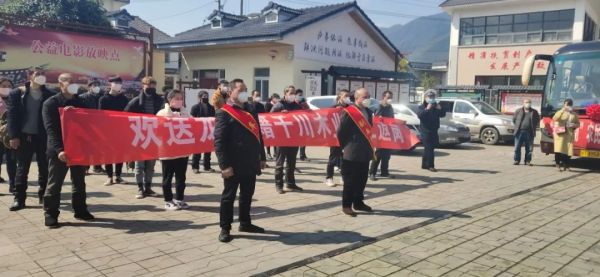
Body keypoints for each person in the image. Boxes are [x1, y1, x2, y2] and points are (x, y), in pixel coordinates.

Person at [214, 78, 267, 242]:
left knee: (247, 194)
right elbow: (219, 142)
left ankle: (245, 222)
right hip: (233, 164)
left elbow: (258, 135)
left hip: (250, 161)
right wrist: (224, 166)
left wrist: (262, 156)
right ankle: (225, 228)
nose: (244, 93)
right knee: (229, 197)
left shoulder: (250, 111)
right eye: (240, 90)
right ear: (230, 93)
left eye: (245, 89)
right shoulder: (224, 112)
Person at [42, 73, 94, 228]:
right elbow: (50, 130)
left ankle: (80, 210)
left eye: (74, 82)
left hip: (78, 149)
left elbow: (90, 123)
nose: (72, 84)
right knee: (55, 183)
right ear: (60, 84)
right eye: (68, 82)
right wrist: (59, 150)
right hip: (59, 151)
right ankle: (50, 214)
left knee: (79, 182)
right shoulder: (50, 103)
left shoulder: (81, 101)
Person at [7, 67, 54, 211]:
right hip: (24, 137)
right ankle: (19, 199)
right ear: (30, 76)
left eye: (43, 74)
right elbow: (12, 117)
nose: (41, 77)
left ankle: (44, 196)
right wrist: (13, 136)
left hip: (43, 137)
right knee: (22, 169)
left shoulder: (49, 94)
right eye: (38, 74)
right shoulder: (18, 93)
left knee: (44, 168)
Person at [124, 76, 164, 199]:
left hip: (153, 136)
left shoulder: (160, 101)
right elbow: (125, 117)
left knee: (151, 165)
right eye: (148, 86)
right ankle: (140, 188)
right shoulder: (135, 101)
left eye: (153, 86)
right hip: (139, 136)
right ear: (143, 86)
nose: (151, 88)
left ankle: (148, 187)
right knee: (139, 165)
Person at [337, 88, 374, 217]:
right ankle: (346, 205)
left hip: (365, 151)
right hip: (351, 152)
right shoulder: (349, 112)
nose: (367, 99)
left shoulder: (369, 111)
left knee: (362, 180)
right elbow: (341, 132)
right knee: (350, 181)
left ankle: (358, 202)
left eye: (369, 96)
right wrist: (341, 149)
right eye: (365, 97)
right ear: (357, 98)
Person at [157, 90, 191, 210]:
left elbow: (193, 126)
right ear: (170, 100)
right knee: (167, 178)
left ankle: (180, 199)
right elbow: (158, 131)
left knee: (181, 177)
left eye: (181, 98)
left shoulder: (186, 113)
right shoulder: (161, 113)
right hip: (168, 152)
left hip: (182, 151)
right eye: (177, 98)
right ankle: (168, 200)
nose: (179, 101)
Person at [271, 85, 303, 194]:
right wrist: (280, 114)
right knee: (280, 163)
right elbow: (269, 118)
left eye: (294, 93)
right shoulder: (279, 105)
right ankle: (278, 184)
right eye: (291, 93)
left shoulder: (297, 106)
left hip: (293, 138)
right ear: (285, 94)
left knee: (291, 163)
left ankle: (290, 183)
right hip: (282, 139)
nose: (293, 95)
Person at [99, 76, 129, 185]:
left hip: (121, 130)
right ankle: (109, 176)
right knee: (108, 154)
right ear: (110, 84)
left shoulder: (124, 99)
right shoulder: (104, 99)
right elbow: (100, 115)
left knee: (120, 154)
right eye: (115, 82)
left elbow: (127, 114)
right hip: (107, 131)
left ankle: (118, 176)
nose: (117, 85)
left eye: (119, 83)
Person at [325, 89, 351, 187]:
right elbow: (327, 121)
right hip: (335, 137)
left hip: (347, 137)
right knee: (333, 158)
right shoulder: (333, 108)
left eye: (348, 96)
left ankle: (343, 177)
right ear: (340, 97)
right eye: (345, 96)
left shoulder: (351, 108)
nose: (347, 98)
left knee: (345, 159)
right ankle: (329, 178)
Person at [80, 79, 105, 174]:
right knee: (86, 148)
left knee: (98, 148)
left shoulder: (101, 97)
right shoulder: (82, 97)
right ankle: (85, 168)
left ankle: (97, 167)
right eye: (94, 85)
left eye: (98, 84)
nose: (96, 87)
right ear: (89, 86)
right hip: (86, 126)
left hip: (99, 126)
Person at [417, 89, 446, 172]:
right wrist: (427, 109)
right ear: (425, 97)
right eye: (429, 97)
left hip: (434, 130)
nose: (431, 98)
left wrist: (440, 109)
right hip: (425, 131)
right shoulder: (422, 106)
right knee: (429, 148)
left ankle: (424, 165)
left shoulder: (436, 105)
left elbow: (442, 115)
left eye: (432, 97)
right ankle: (431, 165)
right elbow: (420, 116)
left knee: (429, 148)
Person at [369, 91, 395, 181]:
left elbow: (392, 118)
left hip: (388, 133)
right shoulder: (380, 106)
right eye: (388, 97)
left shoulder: (390, 107)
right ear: (383, 97)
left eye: (391, 97)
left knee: (387, 155)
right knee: (378, 154)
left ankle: (385, 172)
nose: (390, 99)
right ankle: (372, 173)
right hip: (380, 134)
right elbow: (376, 118)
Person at [190, 91, 216, 174]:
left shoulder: (212, 107)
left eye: (207, 96)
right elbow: (192, 119)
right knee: (197, 150)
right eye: (204, 96)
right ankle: (195, 167)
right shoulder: (195, 107)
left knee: (208, 150)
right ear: (200, 97)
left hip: (208, 131)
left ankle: (207, 166)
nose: (206, 97)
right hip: (198, 131)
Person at [553, 99, 580, 172]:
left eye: (570, 105)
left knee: (568, 151)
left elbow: (578, 124)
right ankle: (558, 164)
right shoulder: (560, 112)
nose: (568, 106)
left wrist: (574, 125)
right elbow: (555, 118)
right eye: (567, 105)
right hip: (560, 133)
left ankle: (566, 165)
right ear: (564, 105)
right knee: (558, 150)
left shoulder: (574, 114)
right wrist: (562, 110)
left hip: (569, 134)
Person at [0, 77, 17, 193]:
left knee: (11, 161)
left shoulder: (16, 99)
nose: (7, 88)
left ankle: (13, 185)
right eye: (4, 86)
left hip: (10, 136)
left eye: (9, 86)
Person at [513, 98, 540, 166]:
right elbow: (514, 120)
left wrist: (533, 127)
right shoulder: (518, 111)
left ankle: (527, 161)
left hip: (529, 132)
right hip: (519, 132)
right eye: (526, 102)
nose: (527, 104)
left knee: (529, 148)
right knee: (517, 147)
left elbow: (537, 120)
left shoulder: (534, 112)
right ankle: (517, 160)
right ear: (523, 103)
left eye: (529, 102)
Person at [264, 93, 280, 160]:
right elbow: (266, 113)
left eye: (277, 98)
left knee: (275, 139)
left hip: (276, 123)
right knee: (269, 139)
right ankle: (268, 153)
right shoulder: (268, 104)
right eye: (275, 98)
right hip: (269, 123)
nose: (276, 99)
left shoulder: (278, 105)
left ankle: (275, 153)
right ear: (272, 98)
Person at [296, 89, 310, 161]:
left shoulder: (304, 103)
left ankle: (302, 155)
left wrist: (305, 103)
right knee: (296, 142)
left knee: (304, 140)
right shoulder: (294, 103)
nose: (301, 96)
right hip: (296, 125)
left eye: (301, 95)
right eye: (299, 95)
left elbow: (308, 109)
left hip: (303, 123)